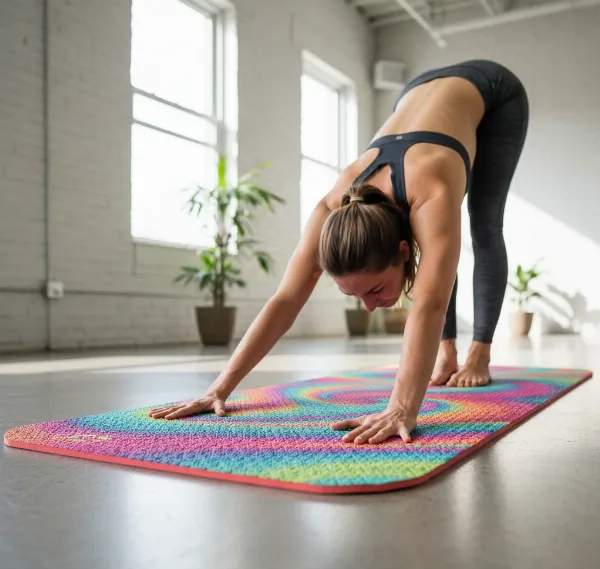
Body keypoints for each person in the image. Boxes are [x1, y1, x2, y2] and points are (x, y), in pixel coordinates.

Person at [150, 59, 529, 445]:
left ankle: (478, 352)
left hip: (493, 90)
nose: (368, 307)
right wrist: (219, 388)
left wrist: (402, 406)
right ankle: (445, 355)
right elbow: (285, 299)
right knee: (438, 249)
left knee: (483, 225)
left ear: (403, 251)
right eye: (356, 294)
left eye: (375, 290)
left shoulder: (432, 189)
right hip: (416, 91)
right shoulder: (332, 207)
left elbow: (430, 302)